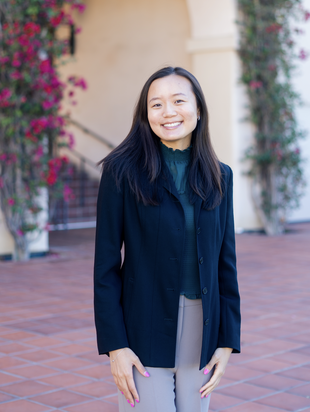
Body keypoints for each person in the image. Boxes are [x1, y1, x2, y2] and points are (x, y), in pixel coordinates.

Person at [94, 66, 241, 412]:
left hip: (202, 325)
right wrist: (116, 346)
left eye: (178, 100)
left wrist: (226, 341)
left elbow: (225, 262)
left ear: (198, 108)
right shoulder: (121, 172)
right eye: (156, 104)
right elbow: (105, 267)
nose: (168, 112)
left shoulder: (220, 176)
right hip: (142, 323)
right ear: (146, 115)